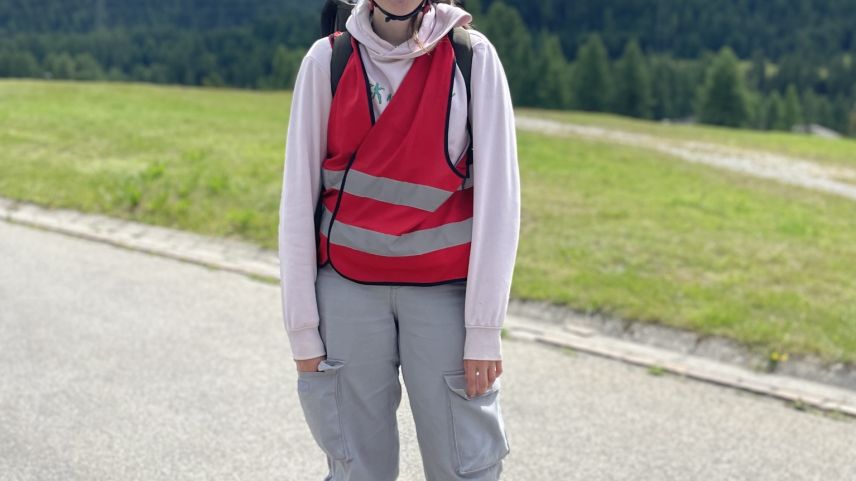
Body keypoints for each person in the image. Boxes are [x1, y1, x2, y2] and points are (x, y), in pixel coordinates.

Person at [278, 0, 520, 479]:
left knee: (464, 466)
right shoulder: (327, 61)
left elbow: (500, 201)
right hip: (347, 291)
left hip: (446, 296)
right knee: (356, 469)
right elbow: (297, 198)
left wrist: (484, 331)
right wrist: (302, 330)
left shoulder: (473, 57)